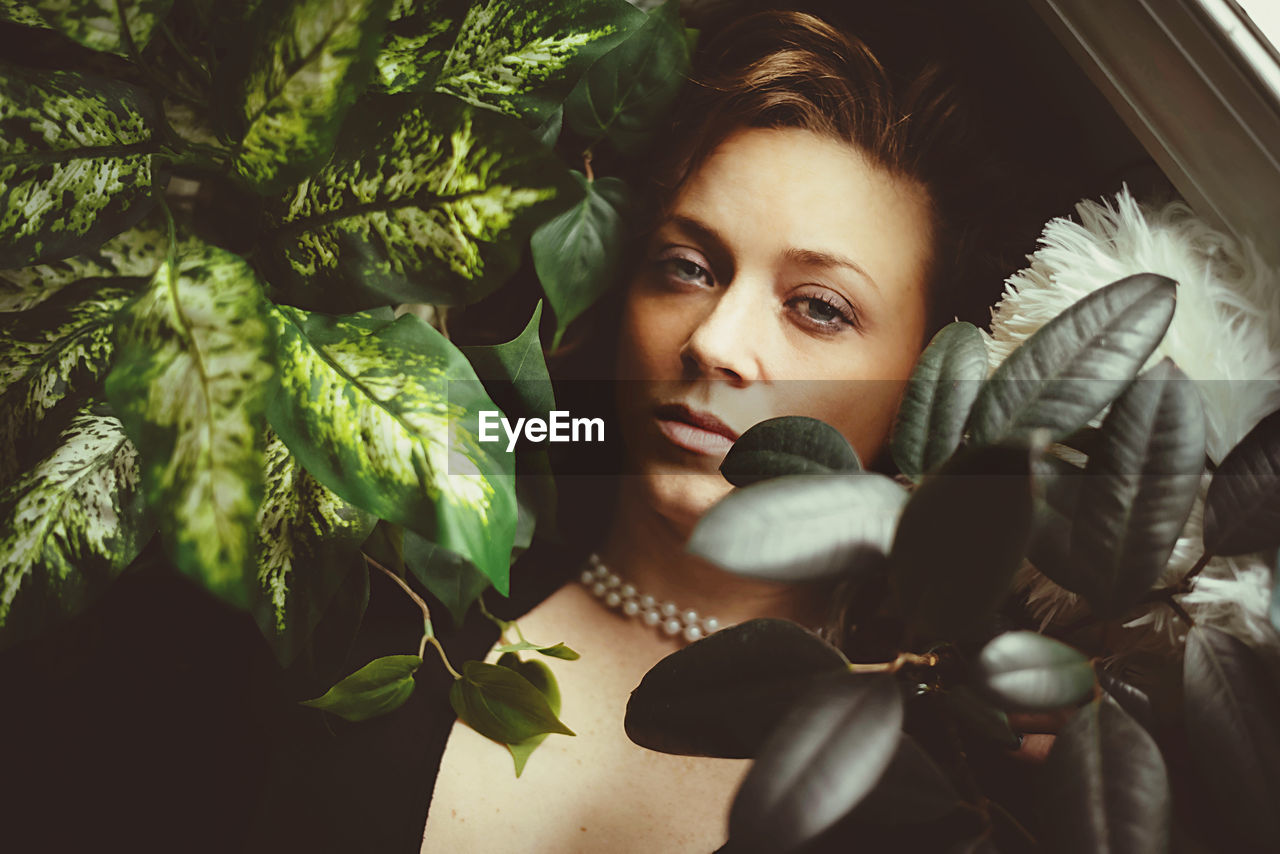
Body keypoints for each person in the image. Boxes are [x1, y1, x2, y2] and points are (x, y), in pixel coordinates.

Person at [417, 7, 1048, 852]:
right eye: (688, 266)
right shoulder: (397, 595)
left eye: (819, 308)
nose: (714, 341)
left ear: (929, 385)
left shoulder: (959, 792)